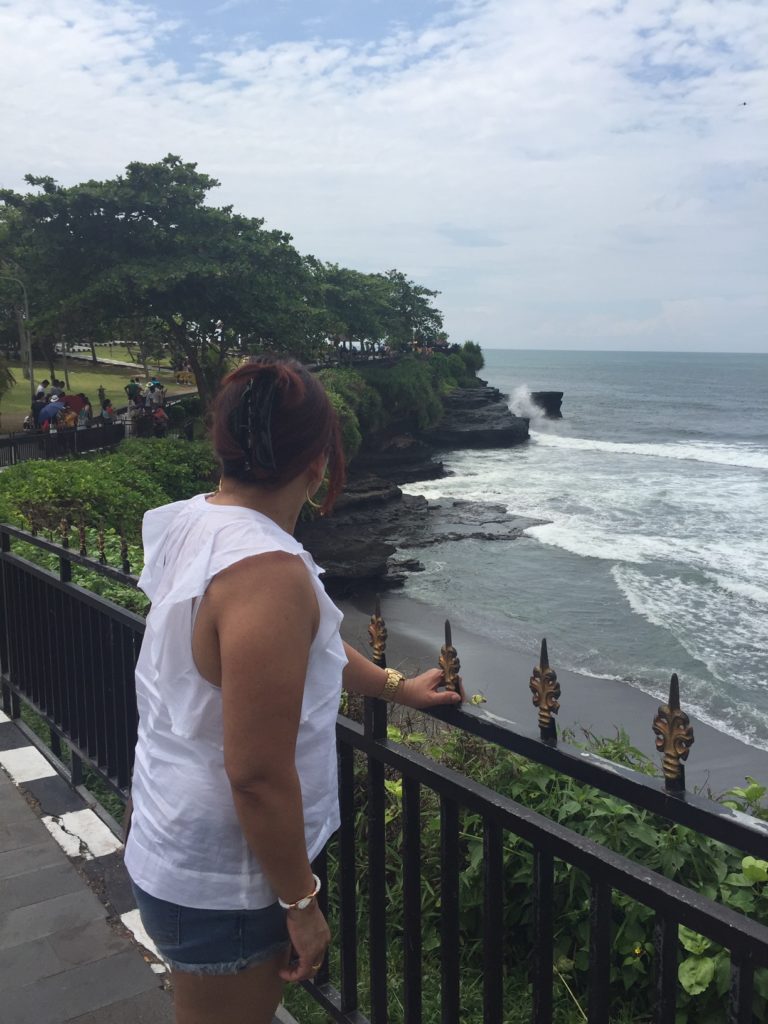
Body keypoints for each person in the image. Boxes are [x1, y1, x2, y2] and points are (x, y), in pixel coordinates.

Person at [123, 358, 463, 1024]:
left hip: (173, 836)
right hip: (228, 880)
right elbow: (255, 774)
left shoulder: (195, 522)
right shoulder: (268, 576)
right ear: (317, 462)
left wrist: (396, 686)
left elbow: (302, 653)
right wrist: (301, 906)